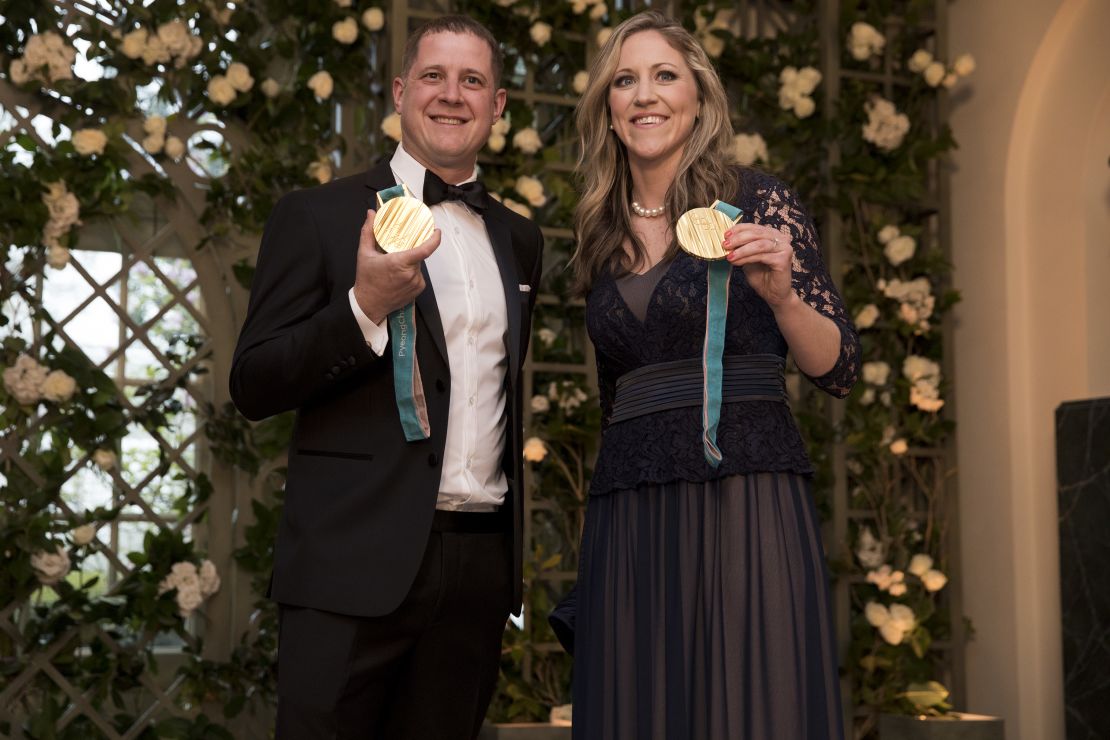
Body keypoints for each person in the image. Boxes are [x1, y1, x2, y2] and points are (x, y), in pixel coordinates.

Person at [230, 15, 543, 739]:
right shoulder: (315, 217)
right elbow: (253, 384)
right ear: (401, 93)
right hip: (348, 565)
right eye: (434, 76)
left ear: (498, 106)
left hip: (476, 569)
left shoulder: (519, 240)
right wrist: (363, 307)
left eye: (473, 81)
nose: (451, 95)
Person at [552, 10, 859, 739]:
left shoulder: (760, 201)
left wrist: (783, 295)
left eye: (665, 76)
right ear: (607, 107)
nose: (644, 95)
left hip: (744, 498)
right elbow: (612, 397)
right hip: (631, 510)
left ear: (698, 97)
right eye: (624, 81)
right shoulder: (597, 229)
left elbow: (837, 367)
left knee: (750, 709)